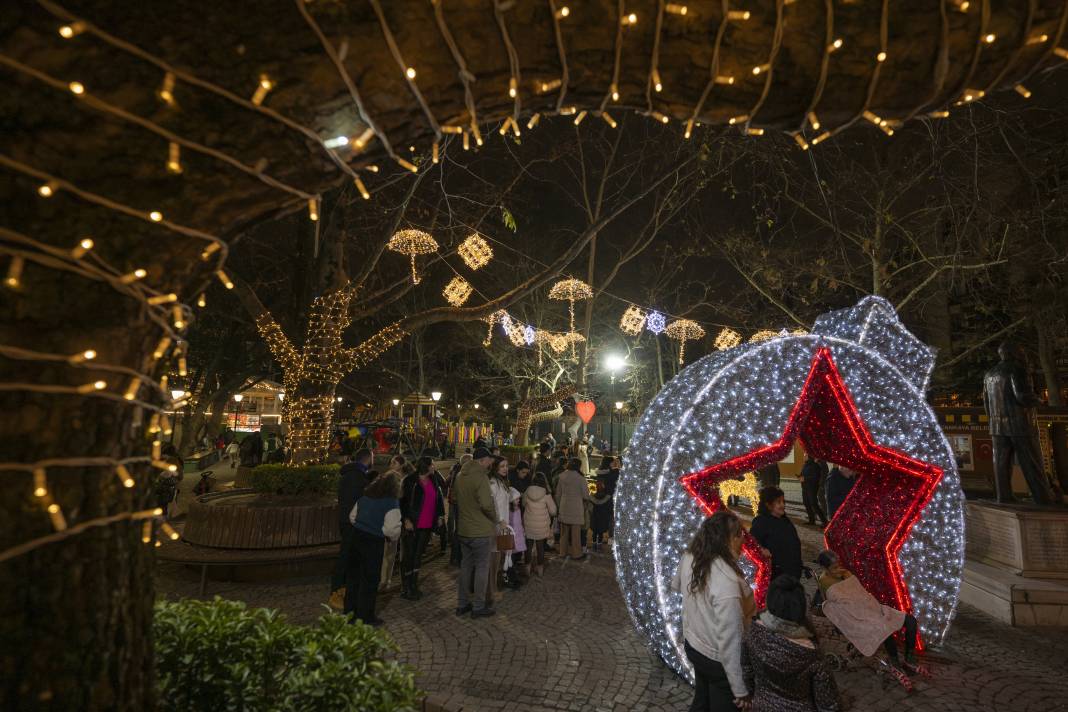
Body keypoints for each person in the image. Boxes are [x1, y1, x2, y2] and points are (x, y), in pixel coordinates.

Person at [671, 512, 755, 712]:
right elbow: (730, 640)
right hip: (716, 660)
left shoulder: (691, 557)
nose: (744, 538)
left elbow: (676, 586)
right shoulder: (727, 583)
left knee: (702, 701)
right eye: (739, 534)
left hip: (694, 645)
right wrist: (739, 689)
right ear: (726, 539)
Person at [743, 575, 839, 711]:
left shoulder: (753, 631)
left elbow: (747, 672)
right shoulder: (810, 653)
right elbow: (828, 703)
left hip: (761, 705)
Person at [817, 550, 919, 671]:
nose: (838, 568)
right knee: (885, 628)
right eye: (834, 567)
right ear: (824, 568)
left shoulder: (845, 573)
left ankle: (909, 658)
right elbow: (839, 603)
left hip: (872, 608)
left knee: (911, 621)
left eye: (838, 565)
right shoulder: (824, 581)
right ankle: (894, 661)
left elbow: (861, 593)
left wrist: (846, 575)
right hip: (857, 615)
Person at [345, 470, 401, 625]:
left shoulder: (366, 496)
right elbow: (392, 530)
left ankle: (349, 612)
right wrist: (382, 533)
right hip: (373, 542)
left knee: (353, 578)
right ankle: (365, 616)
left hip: (356, 538)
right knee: (369, 581)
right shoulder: (391, 503)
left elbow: (352, 516)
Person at [455, 447, 498, 617]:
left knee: (465, 567)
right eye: (489, 459)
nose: (491, 462)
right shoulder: (481, 477)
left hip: (464, 528)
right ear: (482, 460)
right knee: (481, 568)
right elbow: (486, 504)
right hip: (480, 530)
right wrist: (494, 517)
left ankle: (462, 603)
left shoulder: (460, 475)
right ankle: (478, 607)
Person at [330, 448, 374, 607]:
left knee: (346, 554)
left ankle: (342, 588)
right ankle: (338, 590)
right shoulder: (359, 478)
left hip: (345, 520)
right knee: (347, 555)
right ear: (368, 459)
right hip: (352, 522)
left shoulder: (347, 475)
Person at [399, 456, 446, 600]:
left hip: (426, 524)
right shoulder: (410, 481)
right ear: (426, 466)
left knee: (418, 555)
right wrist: (406, 519)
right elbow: (403, 502)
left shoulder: (433, 479)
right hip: (413, 523)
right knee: (409, 555)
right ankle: (406, 587)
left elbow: (438, 498)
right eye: (432, 464)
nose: (434, 466)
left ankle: (414, 584)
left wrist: (440, 515)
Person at [749, 487, 802, 581]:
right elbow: (752, 545)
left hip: (792, 574)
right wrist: (762, 549)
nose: (783, 505)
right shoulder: (760, 523)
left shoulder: (785, 521)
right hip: (775, 576)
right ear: (768, 505)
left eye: (783, 501)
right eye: (778, 502)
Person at [378, 455, 408, 591]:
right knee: (387, 553)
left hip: (398, 518)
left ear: (401, 465)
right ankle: (384, 580)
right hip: (390, 520)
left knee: (391, 552)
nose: (391, 464)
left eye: (394, 462)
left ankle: (387, 579)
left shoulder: (403, 480)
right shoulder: (389, 478)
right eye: (391, 462)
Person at [486, 456, 513, 603]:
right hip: (495, 525)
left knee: (498, 559)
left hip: (503, 525)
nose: (505, 468)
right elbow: (491, 505)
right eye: (502, 466)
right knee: (493, 560)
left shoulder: (501, 482)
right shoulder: (492, 483)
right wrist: (499, 519)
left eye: (506, 466)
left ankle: (493, 588)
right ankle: (490, 590)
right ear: (495, 467)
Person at [555, 457, 591, 560]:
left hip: (564, 505)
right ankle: (576, 553)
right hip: (576, 507)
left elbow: (558, 494)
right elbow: (585, 495)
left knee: (563, 532)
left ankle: (563, 552)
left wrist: (558, 505)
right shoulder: (581, 478)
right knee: (576, 533)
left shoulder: (562, 476)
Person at [522, 467, 556, 577]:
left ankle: (527, 568)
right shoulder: (546, 494)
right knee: (540, 546)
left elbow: (523, 504)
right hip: (542, 524)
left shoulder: (527, 491)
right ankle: (540, 569)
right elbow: (553, 511)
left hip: (529, 523)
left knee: (528, 546)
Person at [446, 454, 471, 567]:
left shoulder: (457, 472)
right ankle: (457, 557)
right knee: (459, 531)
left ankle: (455, 557)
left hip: (458, 505)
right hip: (460, 506)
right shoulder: (462, 475)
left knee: (458, 531)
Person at [799, 456, 828, 527]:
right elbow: (802, 473)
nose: (804, 456)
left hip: (812, 488)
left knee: (814, 504)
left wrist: (805, 478)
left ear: (809, 457)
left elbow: (815, 477)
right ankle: (811, 520)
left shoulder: (815, 466)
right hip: (805, 487)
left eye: (805, 455)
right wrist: (800, 476)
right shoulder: (805, 465)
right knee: (806, 503)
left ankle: (824, 521)